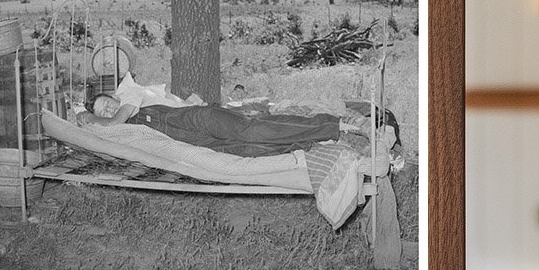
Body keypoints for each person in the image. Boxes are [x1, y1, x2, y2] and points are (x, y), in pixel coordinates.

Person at [78, 93, 361, 158]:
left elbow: (114, 122)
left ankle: (333, 126)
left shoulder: (130, 100)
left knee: (253, 129)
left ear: (114, 97)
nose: (109, 108)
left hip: (197, 118)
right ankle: (316, 142)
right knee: (250, 148)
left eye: (107, 102)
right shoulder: (120, 130)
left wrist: (91, 117)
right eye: (104, 109)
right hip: (195, 142)